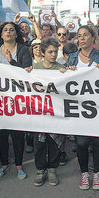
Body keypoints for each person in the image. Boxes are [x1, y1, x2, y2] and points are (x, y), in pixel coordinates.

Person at [0, 22, 31, 181]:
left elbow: (26, 72)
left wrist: (11, 61)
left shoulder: (24, 50)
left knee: (18, 134)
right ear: (1, 33)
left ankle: (19, 165)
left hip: (17, 99)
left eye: (11, 30)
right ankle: (4, 164)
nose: (8, 32)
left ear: (16, 34)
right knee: (1, 134)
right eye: (5, 30)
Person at [66, 26, 99, 191]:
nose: (82, 38)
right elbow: (65, 80)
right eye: (79, 36)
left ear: (93, 38)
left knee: (98, 142)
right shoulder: (72, 58)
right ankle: (84, 174)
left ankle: (97, 174)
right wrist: (66, 71)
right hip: (79, 107)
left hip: (98, 106)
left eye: (85, 35)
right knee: (81, 143)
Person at [25, 38, 69, 187]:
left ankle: (52, 169)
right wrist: (27, 72)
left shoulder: (61, 68)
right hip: (39, 113)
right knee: (39, 144)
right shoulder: (34, 68)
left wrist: (66, 73)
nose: (53, 54)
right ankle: (40, 170)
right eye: (50, 52)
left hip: (56, 113)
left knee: (55, 142)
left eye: (56, 51)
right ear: (42, 53)